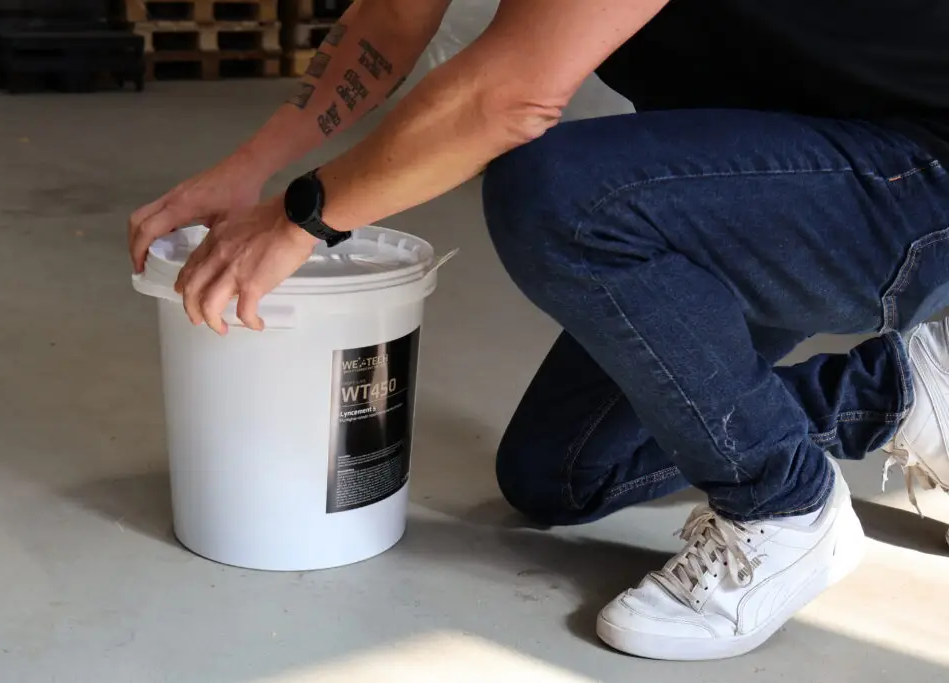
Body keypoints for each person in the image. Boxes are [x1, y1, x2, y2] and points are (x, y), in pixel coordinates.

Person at [128, 0, 949, 661]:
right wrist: (252, 166)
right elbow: (390, 19)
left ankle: (785, 504)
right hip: (773, 174)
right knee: (562, 472)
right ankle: (902, 393)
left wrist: (301, 216)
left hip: (917, 179)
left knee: (559, 194)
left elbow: (507, 97)